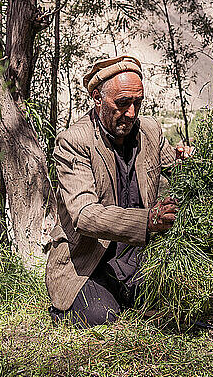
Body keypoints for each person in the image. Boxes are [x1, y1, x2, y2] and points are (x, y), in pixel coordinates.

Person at [45, 55, 190, 327]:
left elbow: (176, 172)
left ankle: (128, 291)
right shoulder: (73, 142)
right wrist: (147, 221)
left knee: (178, 303)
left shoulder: (151, 130)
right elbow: (84, 215)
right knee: (100, 316)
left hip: (137, 254)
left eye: (138, 102)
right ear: (98, 97)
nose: (132, 113)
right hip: (90, 260)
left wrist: (190, 163)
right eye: (122, 103)